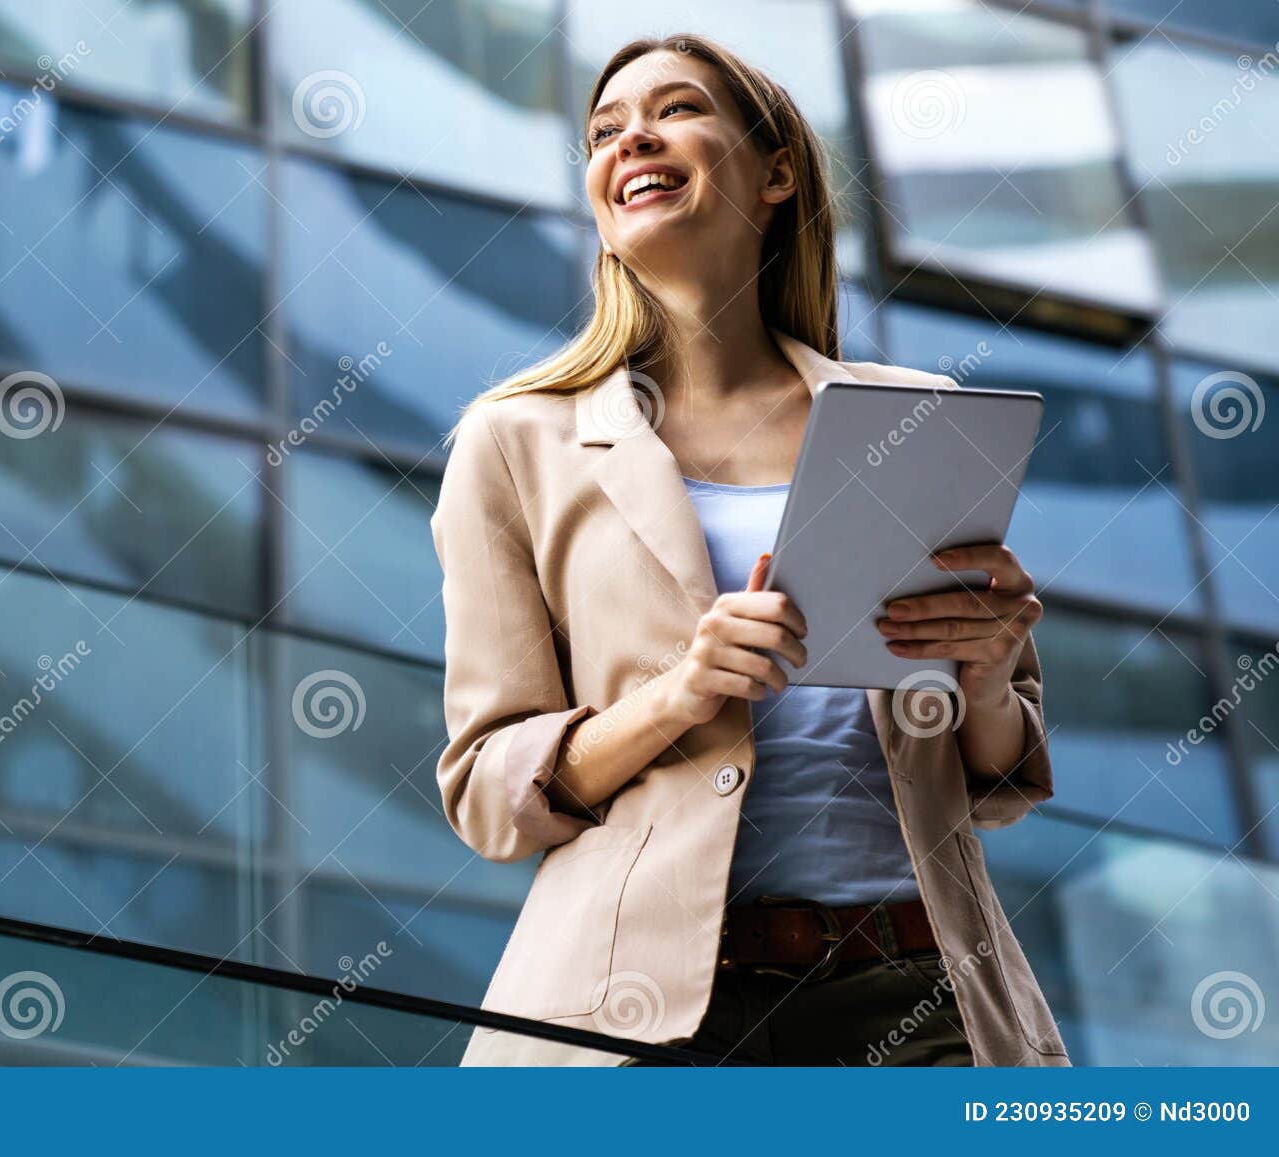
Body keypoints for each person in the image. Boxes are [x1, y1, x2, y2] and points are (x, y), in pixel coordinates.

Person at [430, 33, 1068, 1067]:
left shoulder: (916, 418)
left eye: (675, 109)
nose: (630, 135)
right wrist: (676, 694)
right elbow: (487, 791)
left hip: (917, 997)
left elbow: (997, 779)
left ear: (775, 172)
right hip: (634, 1010)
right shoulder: (518, 442)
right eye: (602, 130)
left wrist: (990, 674)